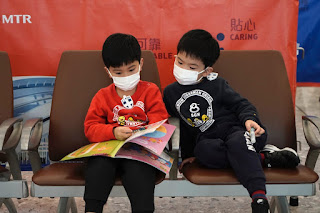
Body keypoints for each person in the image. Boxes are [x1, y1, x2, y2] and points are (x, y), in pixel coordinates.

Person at [163, 29, 300, 213]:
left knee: (238, 142)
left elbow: (242, 105)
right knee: (203, 152)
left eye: (192, 67)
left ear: (206, 71)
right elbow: (182, 127)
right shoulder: (170, 93)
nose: (183, 69)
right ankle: (264, 158)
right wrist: (187, 154)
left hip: (236, 130)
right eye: (180, 62)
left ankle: (258, 197)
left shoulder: (217, 84)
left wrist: (250, 121)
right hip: (209, 139)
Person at [83, 33, 169, 213]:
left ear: (141, 64)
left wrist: (144, 132)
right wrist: (113, 132)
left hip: (140, 151)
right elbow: (91, 128)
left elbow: (160, 120)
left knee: (139, 172)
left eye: (131, 69)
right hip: (110, 150)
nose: (126, 76)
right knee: (98, 167)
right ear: (108, 71)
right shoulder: (102, 96)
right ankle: (92, 209)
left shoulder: (150, 91)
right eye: (118, 72)